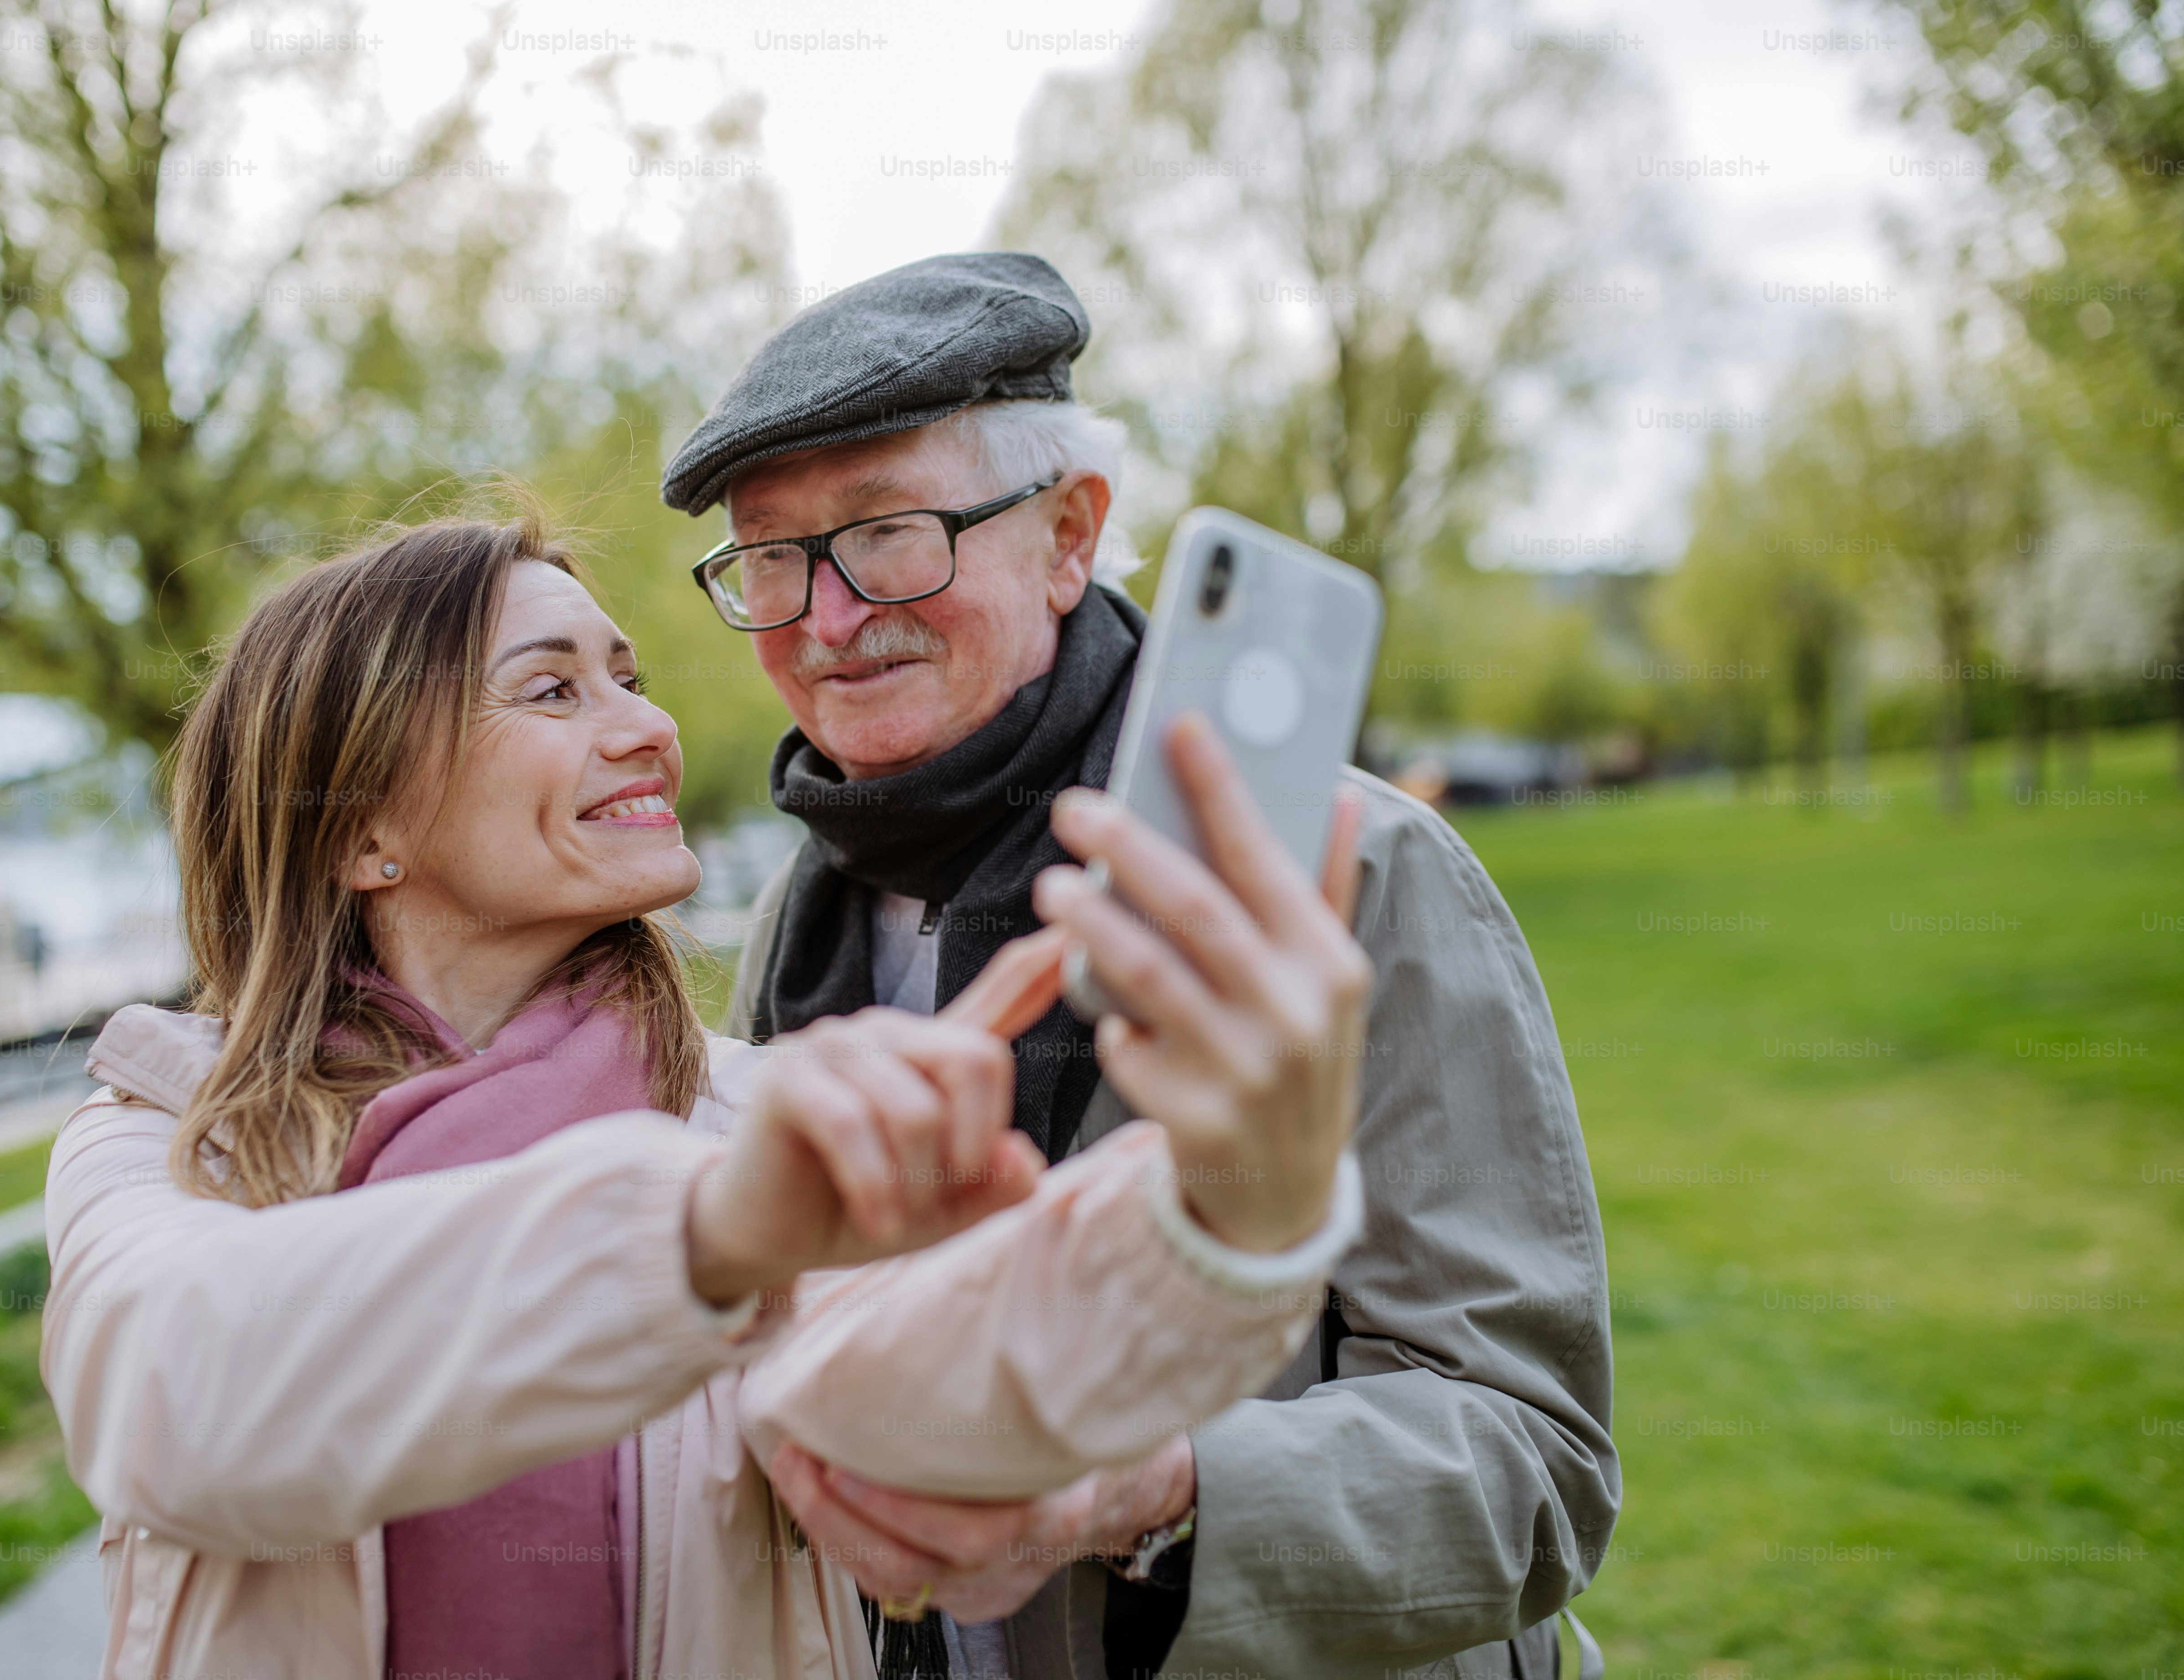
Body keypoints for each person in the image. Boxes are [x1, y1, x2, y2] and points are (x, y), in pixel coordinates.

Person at [41, 511, 1377, 1680]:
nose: (653, 728)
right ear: (361, 832)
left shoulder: (743, 1124)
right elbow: (187, 1400)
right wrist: (708, 1236)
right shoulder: (165, 1143)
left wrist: (1236, 1187)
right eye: (551, 693)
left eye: (627, 675)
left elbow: (960, 1398)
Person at [668, 253, 1619, 1679]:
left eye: (886, 537)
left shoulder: (1352, 872)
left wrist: (1149, 1492)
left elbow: (1533, 1469)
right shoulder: (798, 926)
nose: (825, 619)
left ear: (1068, 535)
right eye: (772, 558)